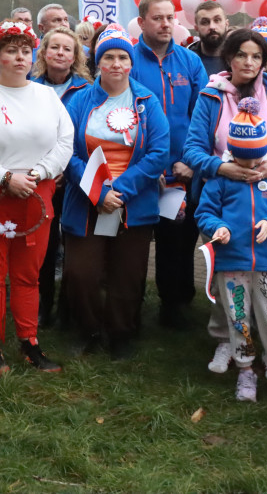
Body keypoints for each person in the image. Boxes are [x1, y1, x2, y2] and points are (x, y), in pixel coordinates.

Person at [184, 28, 267, 374]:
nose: (249, 62)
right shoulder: (211, 96)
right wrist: (223, 168)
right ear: (229, 58)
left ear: (266, 59)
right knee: (229, 276)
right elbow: (193, 149)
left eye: (257, 56)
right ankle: (228, 340)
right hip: (225, 198)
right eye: (242, 55)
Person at [0, 21, 74, 375]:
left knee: (28, 273)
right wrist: (5, 177)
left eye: (25, 50)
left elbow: (64, 142)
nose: (20, 57)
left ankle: (29, 340)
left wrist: (38, 174)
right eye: (11, 50)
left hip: (36, 193)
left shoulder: (46, 97)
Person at [62, 27, 169, 359]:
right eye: (109, 56)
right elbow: (67, 151)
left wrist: (119, 190)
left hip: (132, 201)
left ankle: (121, 333)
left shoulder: (147, 102)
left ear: (131, 62)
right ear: (98, 61)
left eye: (123, 57)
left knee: (128, 273)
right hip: (87, 201)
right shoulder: (79, 100)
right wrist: (98, 192)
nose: (117, 63)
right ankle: (90, 330)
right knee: (82, 272)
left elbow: (159, 152)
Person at [196, 97, 267, 406]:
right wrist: (218, 226)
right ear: (233, 153)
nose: (251, 167)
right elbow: (204, 213)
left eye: (256, 159)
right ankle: (246, 370)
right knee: (238, 317)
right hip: (231, 263)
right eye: (244, 160)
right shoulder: (222, 178)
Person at [130, 0, 208, 329]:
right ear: (142, 22)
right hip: (142, 169)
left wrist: (193, 163)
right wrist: (147, 167)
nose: (165, 24)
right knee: (145, 240)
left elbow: (205, 115)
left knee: (182, 236)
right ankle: (143, 304)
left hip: (184, 170)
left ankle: (180, 299)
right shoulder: (128, 60)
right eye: (157, 18)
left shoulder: (190, 62)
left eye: (170, 18)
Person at [31, 27, 91, 326]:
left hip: (73, 183)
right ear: (43, 52)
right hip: (38, 180)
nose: (60, 53)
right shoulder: (27, 85)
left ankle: (70, 307)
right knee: (43, 247)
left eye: (67, 49)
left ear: (75, 57)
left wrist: (66, 172)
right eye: (54, 47)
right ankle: (42, 305)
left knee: (75, 247)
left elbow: (85, 138)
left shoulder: (87, 90)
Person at [189, 1, 229, 77]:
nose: (212, 27)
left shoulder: (240, 57)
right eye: (205, 22)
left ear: (226, 24)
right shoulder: (186, 60)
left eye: (217, 20)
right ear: (196, 28)